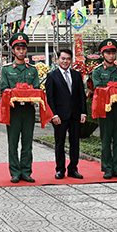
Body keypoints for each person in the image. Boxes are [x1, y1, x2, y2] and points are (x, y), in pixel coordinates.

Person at [0, 32, 40, 183]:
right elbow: (4, 89)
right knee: (13, 142)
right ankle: (15, 172)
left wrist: (27, 91)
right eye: (18, 49)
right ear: (13, 51)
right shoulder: (7, 69)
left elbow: (36, 88)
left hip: (28, 110)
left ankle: (26, 171)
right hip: (13, 110)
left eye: (23, 48)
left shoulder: (33, 70)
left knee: (28, 142)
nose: (21, 51)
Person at [45, 48, 87, 180]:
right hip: (60, 116)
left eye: (68, 59)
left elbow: (81, 95)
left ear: (71, 60)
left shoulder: (76, 75)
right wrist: (54, 115)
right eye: (63, 58)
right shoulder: (52, 76)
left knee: (75, 143)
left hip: (75, 115)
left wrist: (83, 112)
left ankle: (73, 169)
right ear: (57, 60)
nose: (65, 61)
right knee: (59, 143)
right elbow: (49, 98)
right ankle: (60, 169)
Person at [92, 38, 117, 180]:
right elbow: (99, 89)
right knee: (106, 140)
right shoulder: (97, 71)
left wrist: (113, 89)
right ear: (102, 54)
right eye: (108, 53)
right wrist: (115, 89)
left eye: (113, 53)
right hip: (105, 110)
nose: (111, 56)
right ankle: (107, 169)